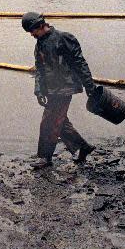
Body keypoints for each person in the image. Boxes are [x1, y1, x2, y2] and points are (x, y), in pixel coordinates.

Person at [22, 12, 97, 169]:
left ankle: (45, 158)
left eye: (32, 31)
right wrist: (39, 91)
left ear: (41, 26)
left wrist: (90, 88)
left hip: (65, 88)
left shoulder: (65, 38)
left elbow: (80, 63)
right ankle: (83, 147)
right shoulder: (39, 44)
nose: (31, 35)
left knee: (48, 122)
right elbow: (40, 70)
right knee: (60, 121)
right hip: (51, 89)